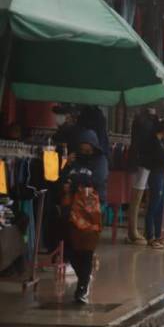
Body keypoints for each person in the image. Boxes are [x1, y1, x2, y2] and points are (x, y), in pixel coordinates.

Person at [59, 129, 107, 304]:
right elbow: (62, 179)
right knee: (70, 249)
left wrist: (75, 183)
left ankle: (82, 287)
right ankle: (84, 277)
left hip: (89, 212)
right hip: (69, 210)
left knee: (85, 250)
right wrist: (66, 166)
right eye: (82, 149)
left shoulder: (100, 161)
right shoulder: (73, 161)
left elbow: (97, 181)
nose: (85, 152)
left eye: (88, 149)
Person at [140, 118, 164, 250]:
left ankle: (158, 235)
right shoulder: (153, 142)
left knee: (160, 205)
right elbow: (159, 156)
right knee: (154, 204)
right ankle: (150, 236)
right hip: (156, 174)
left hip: (162, 173)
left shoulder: (160, 142)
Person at [126, 108, 157, 245]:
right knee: (138, 195)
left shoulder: (142, 120)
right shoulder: (145, 123)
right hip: (144, 161)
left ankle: (137, 231)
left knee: (140, 195)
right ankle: (133, 232)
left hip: (142, 161)